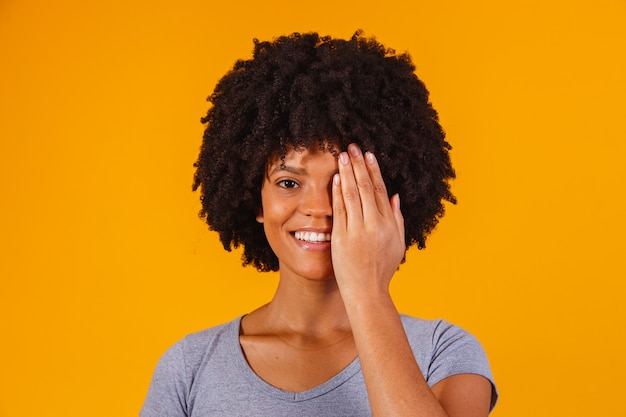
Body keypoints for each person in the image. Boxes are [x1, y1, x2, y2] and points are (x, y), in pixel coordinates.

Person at [141, 31, 497, 416]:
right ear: (254, 200)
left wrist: (368, 292)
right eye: (288, 183)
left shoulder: (443, 352)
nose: (318, 208)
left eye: (343, 185)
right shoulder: (189, 368)